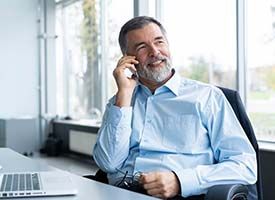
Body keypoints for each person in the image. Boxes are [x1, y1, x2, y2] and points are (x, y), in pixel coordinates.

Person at [93, 16, 257, 199]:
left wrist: (181, 181)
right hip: (119, 193)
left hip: (181, 196)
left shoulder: (207, 97)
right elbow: (108, 163)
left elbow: (244, 165)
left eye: (159, 42)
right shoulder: (120, 102)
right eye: (142, 47)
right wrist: (123, 94)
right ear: (128, 59)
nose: (155, 52)